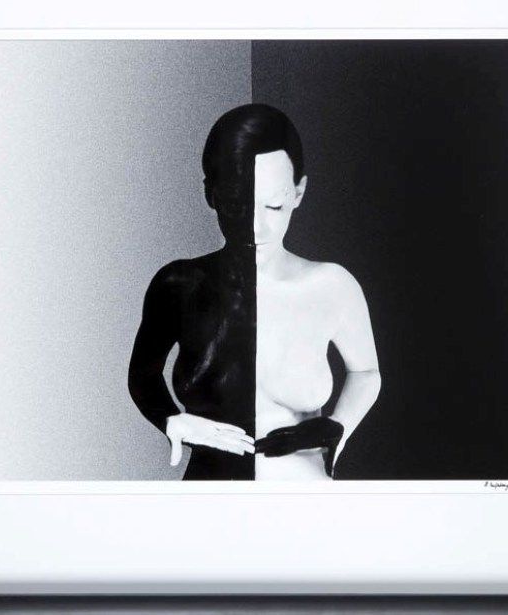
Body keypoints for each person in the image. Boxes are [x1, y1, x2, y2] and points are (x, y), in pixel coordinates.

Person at [128, 103, 381, 480]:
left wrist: (338, 426)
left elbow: (366, 371)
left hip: (306, 498)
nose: (255, 227)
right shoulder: (178, 286)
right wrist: (171, 420)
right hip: (211, 497)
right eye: (236, 205)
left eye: (274, 206)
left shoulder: (332, 286)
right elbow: (143, 374)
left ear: (299, 192)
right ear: (211, 195)